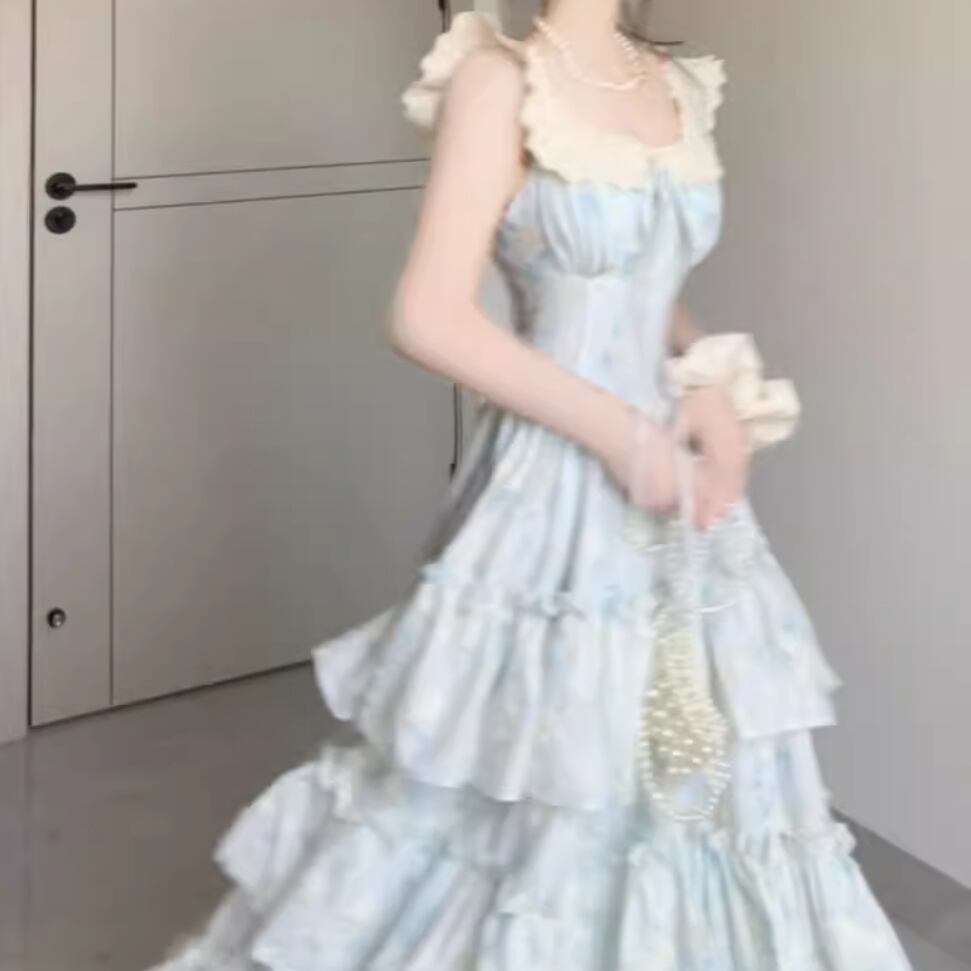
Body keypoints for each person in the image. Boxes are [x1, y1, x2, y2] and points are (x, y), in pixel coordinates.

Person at [148, 1, 915, 968]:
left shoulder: (675, 84)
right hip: (556, 481)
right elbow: (429, 314)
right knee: (546, 765)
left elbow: (640, 276)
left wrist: (707, 373)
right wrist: (618, 434)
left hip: (673, 479)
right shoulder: (499, 80)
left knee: (698, 765)